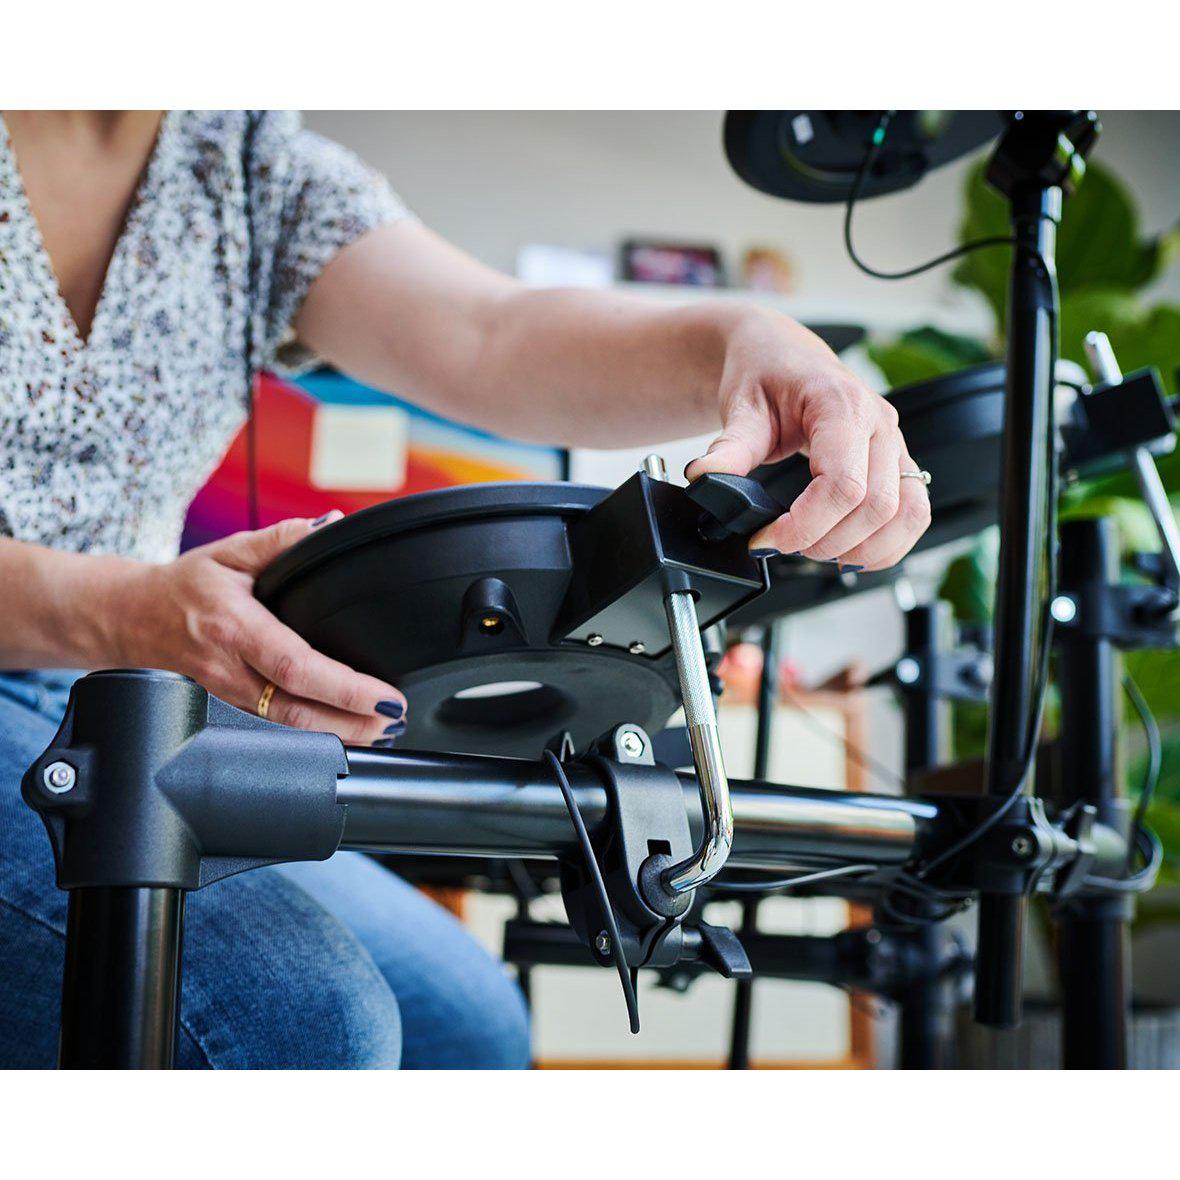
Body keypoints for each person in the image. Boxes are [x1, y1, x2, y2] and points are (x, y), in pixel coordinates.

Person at [0, 110, 931, 1068]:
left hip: (119, 696)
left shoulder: (239, 158)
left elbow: (492, 334)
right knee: (301, 1027)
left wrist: (752, 340)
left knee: (469, 1029)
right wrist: (116, 609)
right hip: (75, 671)